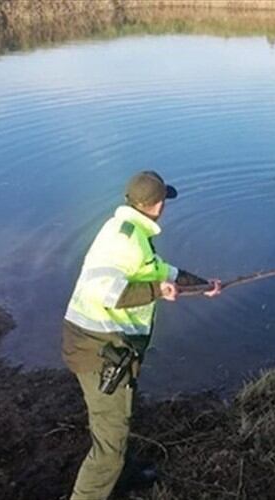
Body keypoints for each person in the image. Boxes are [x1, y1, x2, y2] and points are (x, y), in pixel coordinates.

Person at [61, 170, 221, 500]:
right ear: (157, 205)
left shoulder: (129, 231)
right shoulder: (126, 241)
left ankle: (123, 474)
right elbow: (107, 292)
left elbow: (162, 271)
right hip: (98, 349)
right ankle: (102, 480)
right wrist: (157, 291)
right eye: (164, 201)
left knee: (118, 417)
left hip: (103, 344)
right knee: (108, 444)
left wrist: (203, 285)